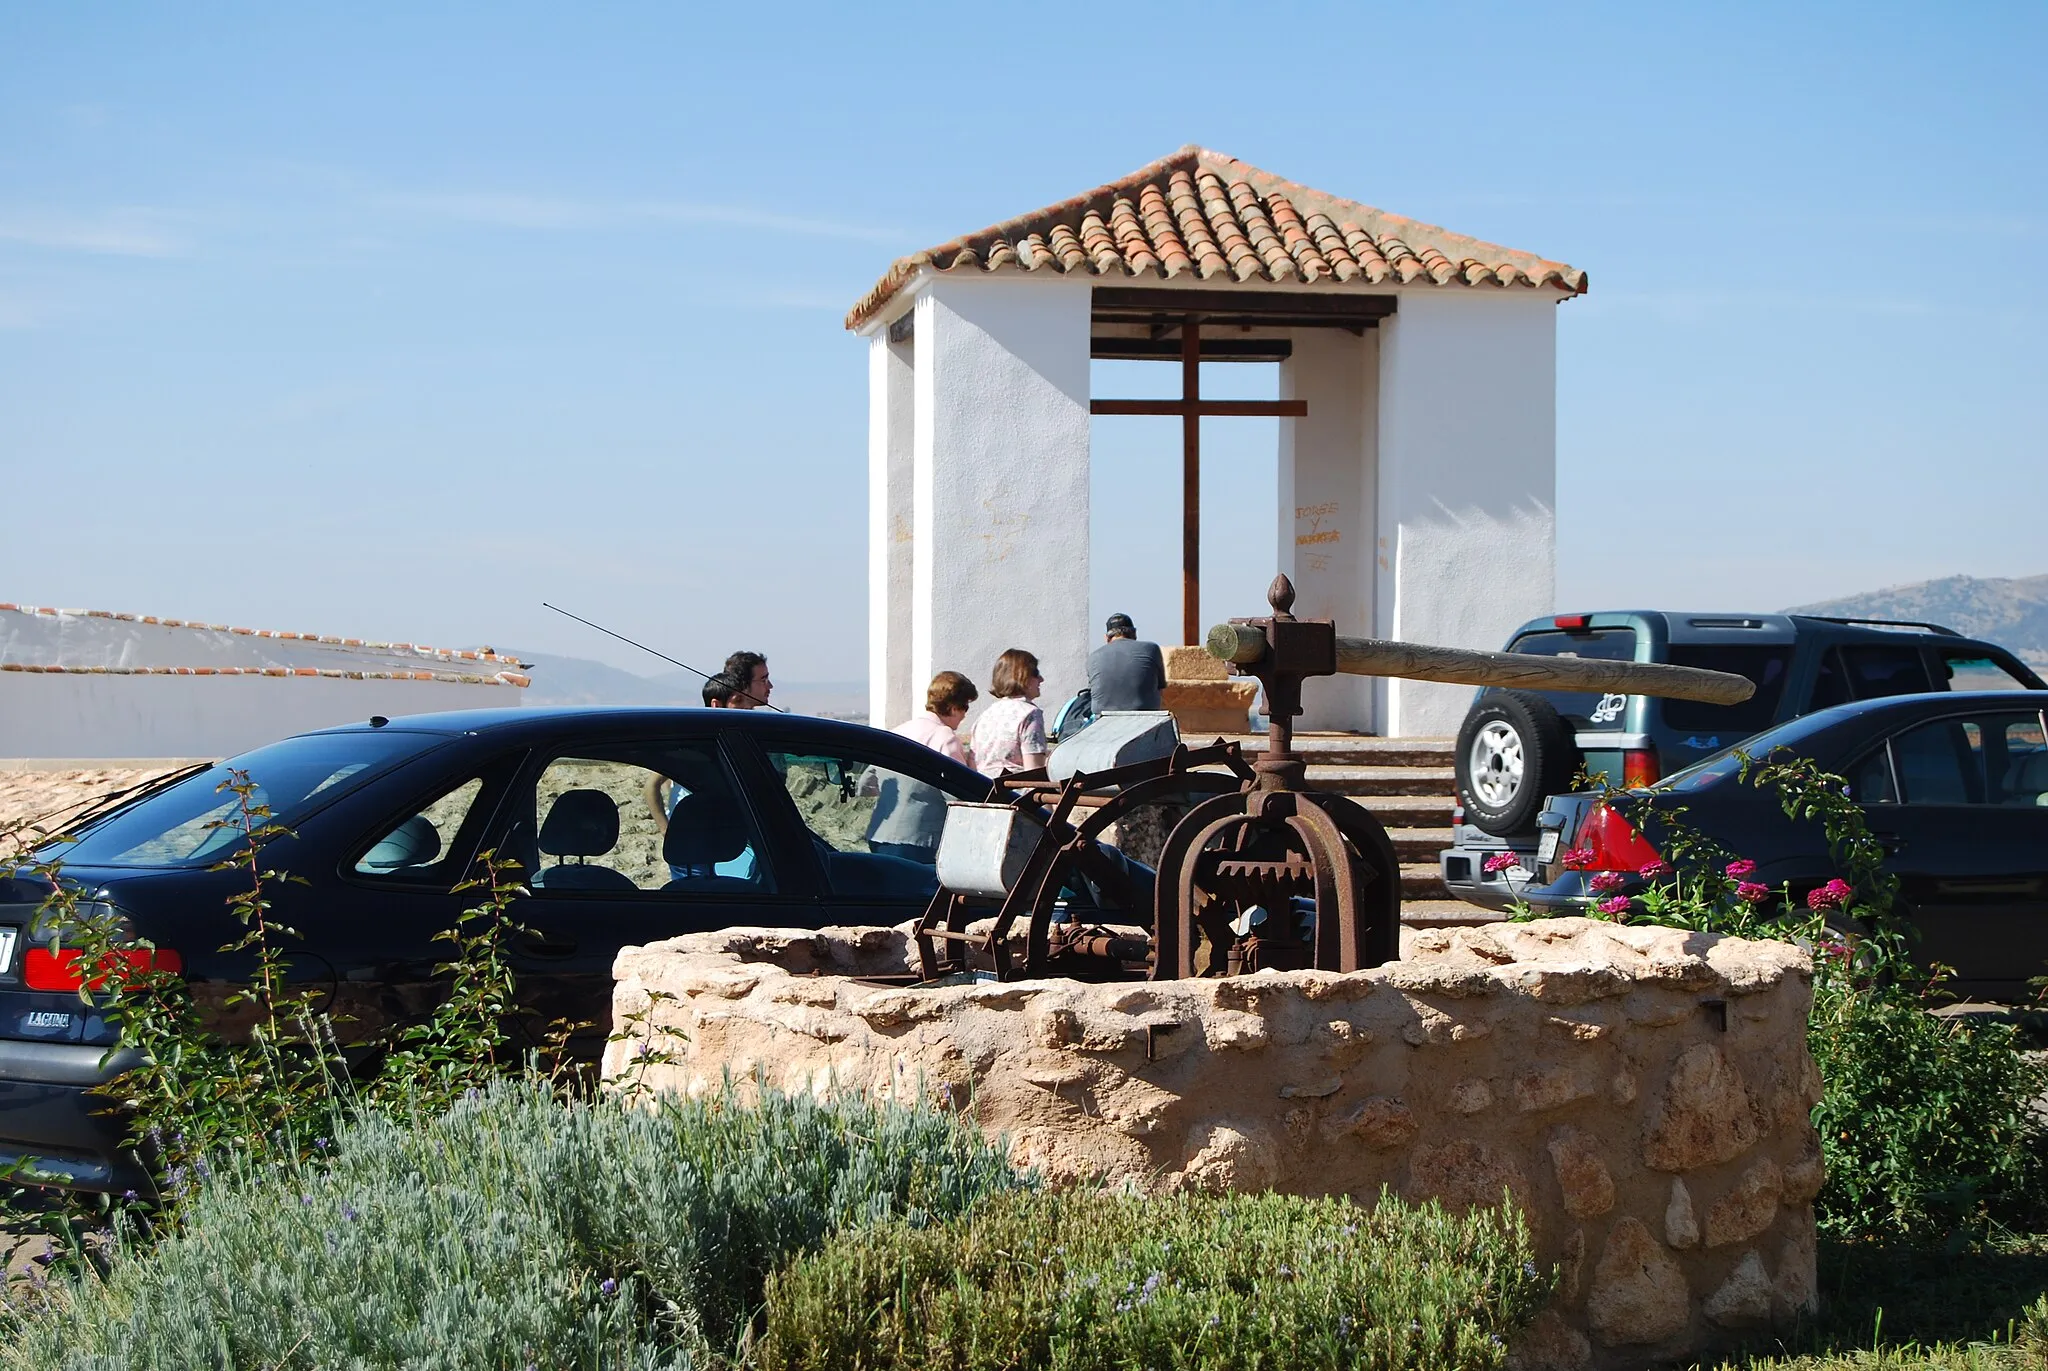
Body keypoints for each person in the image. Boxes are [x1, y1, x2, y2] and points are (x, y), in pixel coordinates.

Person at [865, 671, 979, 863]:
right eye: (965, 707)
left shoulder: (898, 731)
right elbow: (960, 791)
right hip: (919, 838)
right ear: (952, 707)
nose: (964, 715)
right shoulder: (944, 737)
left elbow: (866, 783)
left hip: (879, 833)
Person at [972, 649, 1049, 778]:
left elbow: (973, 763)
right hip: (1015, 792)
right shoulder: (1030, 714)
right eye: (1036, 673)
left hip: (984, 790)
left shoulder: (985, 715)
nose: (1041, 679)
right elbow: (1034, 772)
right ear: (1022, 676)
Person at [1087, 613, 1166, 714]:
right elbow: (1160, 689)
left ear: (1107, 638)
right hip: (1145, 718)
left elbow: (1093, 693)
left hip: (1102, 719)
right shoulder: (1151, 649)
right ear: (1134, 634)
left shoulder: (1093, 657)